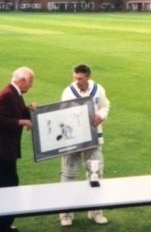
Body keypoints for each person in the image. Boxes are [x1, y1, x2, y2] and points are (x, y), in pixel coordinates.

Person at [0, 66, 36, 232]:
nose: (31, 86)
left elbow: (18, 112)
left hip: (6, 150)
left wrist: (29, 109)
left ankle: (3, 225)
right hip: (1, 151)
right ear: (21, 81)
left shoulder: (15, 93)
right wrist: (22, 122)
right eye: (30, 82)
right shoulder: (7, 94)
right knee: (2, 189)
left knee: (9, 186)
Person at [59, 64, 110, 227]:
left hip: (93, 138)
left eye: (80, 78)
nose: (76, 81)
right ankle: (66, 214)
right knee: (68, 173)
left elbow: (105, 105)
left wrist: (100, 116)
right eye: (74, 78)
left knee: (95, 173)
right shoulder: (68, 91)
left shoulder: (98, 89)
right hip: (72, 139)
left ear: (88, 76)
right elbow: (62, 114)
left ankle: (95, 212)